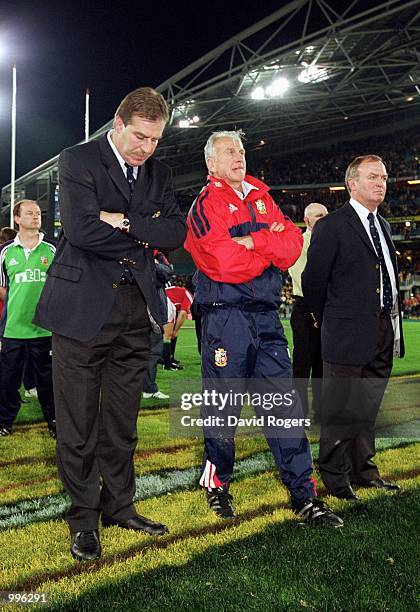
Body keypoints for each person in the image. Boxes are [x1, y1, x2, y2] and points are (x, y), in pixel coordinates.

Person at [34, 87, 186, 561]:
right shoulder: (78, 159)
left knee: (121, 423)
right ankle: (83, 520)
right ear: (117, 125)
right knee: (77, 425)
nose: (147, 148)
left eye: (155, 140)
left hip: (134, 313)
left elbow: (176, 233)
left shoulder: (158, 172)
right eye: (140, 137)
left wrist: (122, 221)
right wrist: (144, 227)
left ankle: (120, 506)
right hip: (81, 310)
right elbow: (79, 229)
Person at [184, 130, 343, 527]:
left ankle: (304, 494)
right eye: (228, 152)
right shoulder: (205, 204)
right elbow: (219, 261)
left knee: (284, 409)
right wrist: (264, 247)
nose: (238, 156)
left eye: (240, 149)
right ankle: (216, 484)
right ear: (211, 163)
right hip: (225, 318)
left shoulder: (261, 194)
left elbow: (290, 248)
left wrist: (250, 242)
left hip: (266, 317)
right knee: (222, 408)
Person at [302, 155, 404, 501]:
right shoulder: (332, 226)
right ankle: (334, 474)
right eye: (374, 176)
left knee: (368, 406)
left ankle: (364, 469)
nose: (382, 183)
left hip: (382, 328)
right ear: (352, 184)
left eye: (385, 177)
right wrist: (326, 317)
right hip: (346, 330)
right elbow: (312, 280)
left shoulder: (384, 225)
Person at [0, 201, 56, 437]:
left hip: (45, 329)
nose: (36, 217)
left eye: (38, 213)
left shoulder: (53, 248)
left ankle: (54, 421)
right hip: (13, 329)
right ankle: (4, 422)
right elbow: (2, 288)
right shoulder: (4, 251)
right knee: (8, 381)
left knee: (48, 382)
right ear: (17, 219)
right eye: (29, 213)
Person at [288, 203, 328, 421]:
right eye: (318, 216)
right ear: (307, 221)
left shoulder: (330, 242)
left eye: (325, 215)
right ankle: (299, 411)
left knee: (323, 363)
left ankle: (321, 412)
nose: (323, 219)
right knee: (302, 363)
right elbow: (304, 278)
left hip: (326, 309)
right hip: (305, 307)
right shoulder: (299, 243)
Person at [142, 251, 173, 400]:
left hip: (154, 309)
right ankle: (147, 388)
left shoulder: (157, 253)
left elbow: (167, 273)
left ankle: (148, 387)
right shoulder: (148, 252)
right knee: (148, 351)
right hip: (142, 308)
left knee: (153, 350)